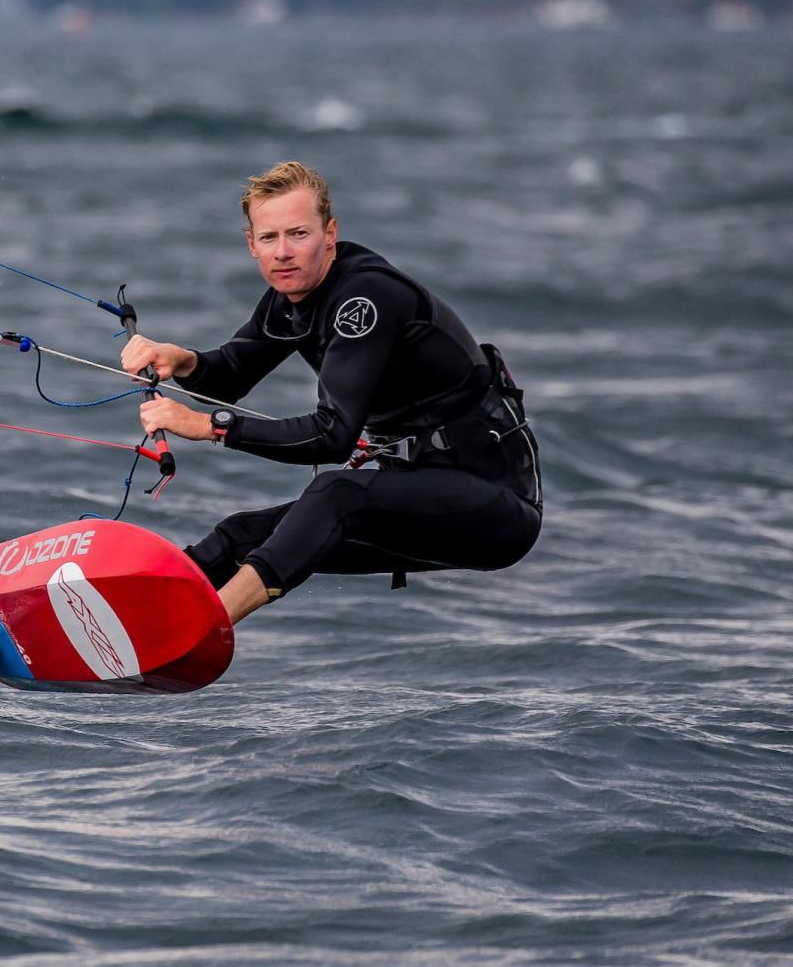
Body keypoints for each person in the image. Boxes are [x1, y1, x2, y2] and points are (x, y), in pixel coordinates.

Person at [120, 161, 542, 626]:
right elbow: (229, 376)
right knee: (239, 536)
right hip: (417, 498)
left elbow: (332, 436)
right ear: (251, 244)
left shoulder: (366, 297)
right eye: (269, 238)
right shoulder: (289, 301)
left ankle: (205, 628)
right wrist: (180, 359)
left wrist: (208, 427)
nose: (283, 252)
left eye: (298, 234)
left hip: (495, 505)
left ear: (330, 234)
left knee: (334, 493)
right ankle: (137, 617)